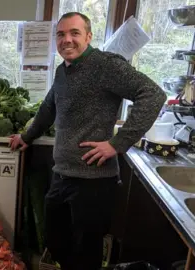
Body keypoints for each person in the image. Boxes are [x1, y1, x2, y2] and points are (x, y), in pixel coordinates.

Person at [9, 12, 166, 270]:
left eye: (74, 33)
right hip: (62, 175)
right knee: (55, 241)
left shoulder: (105, 65)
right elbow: (49, 108)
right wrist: (27, 137)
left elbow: (153, 95)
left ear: (89, 36)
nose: (66, 40)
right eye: (60, 34)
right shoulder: (63, 71)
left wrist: (117, 143)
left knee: (86, 254)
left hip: (93, 182)